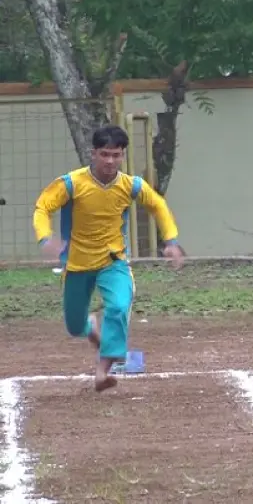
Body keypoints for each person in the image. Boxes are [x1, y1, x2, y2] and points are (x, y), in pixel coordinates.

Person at [32, 124, 185, 392]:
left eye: (116, 155)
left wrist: (171, 241)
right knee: (75, 325)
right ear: (94, 153)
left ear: (122, 155)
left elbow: (158, 206)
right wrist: (46, 237)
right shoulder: (71, 183)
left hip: (113, 262)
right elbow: (43, 207)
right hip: (77, 264)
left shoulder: (130, 185)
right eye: (104, 154)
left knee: (117, 307)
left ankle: (102, 371)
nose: (110, 161)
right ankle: (91, 326)